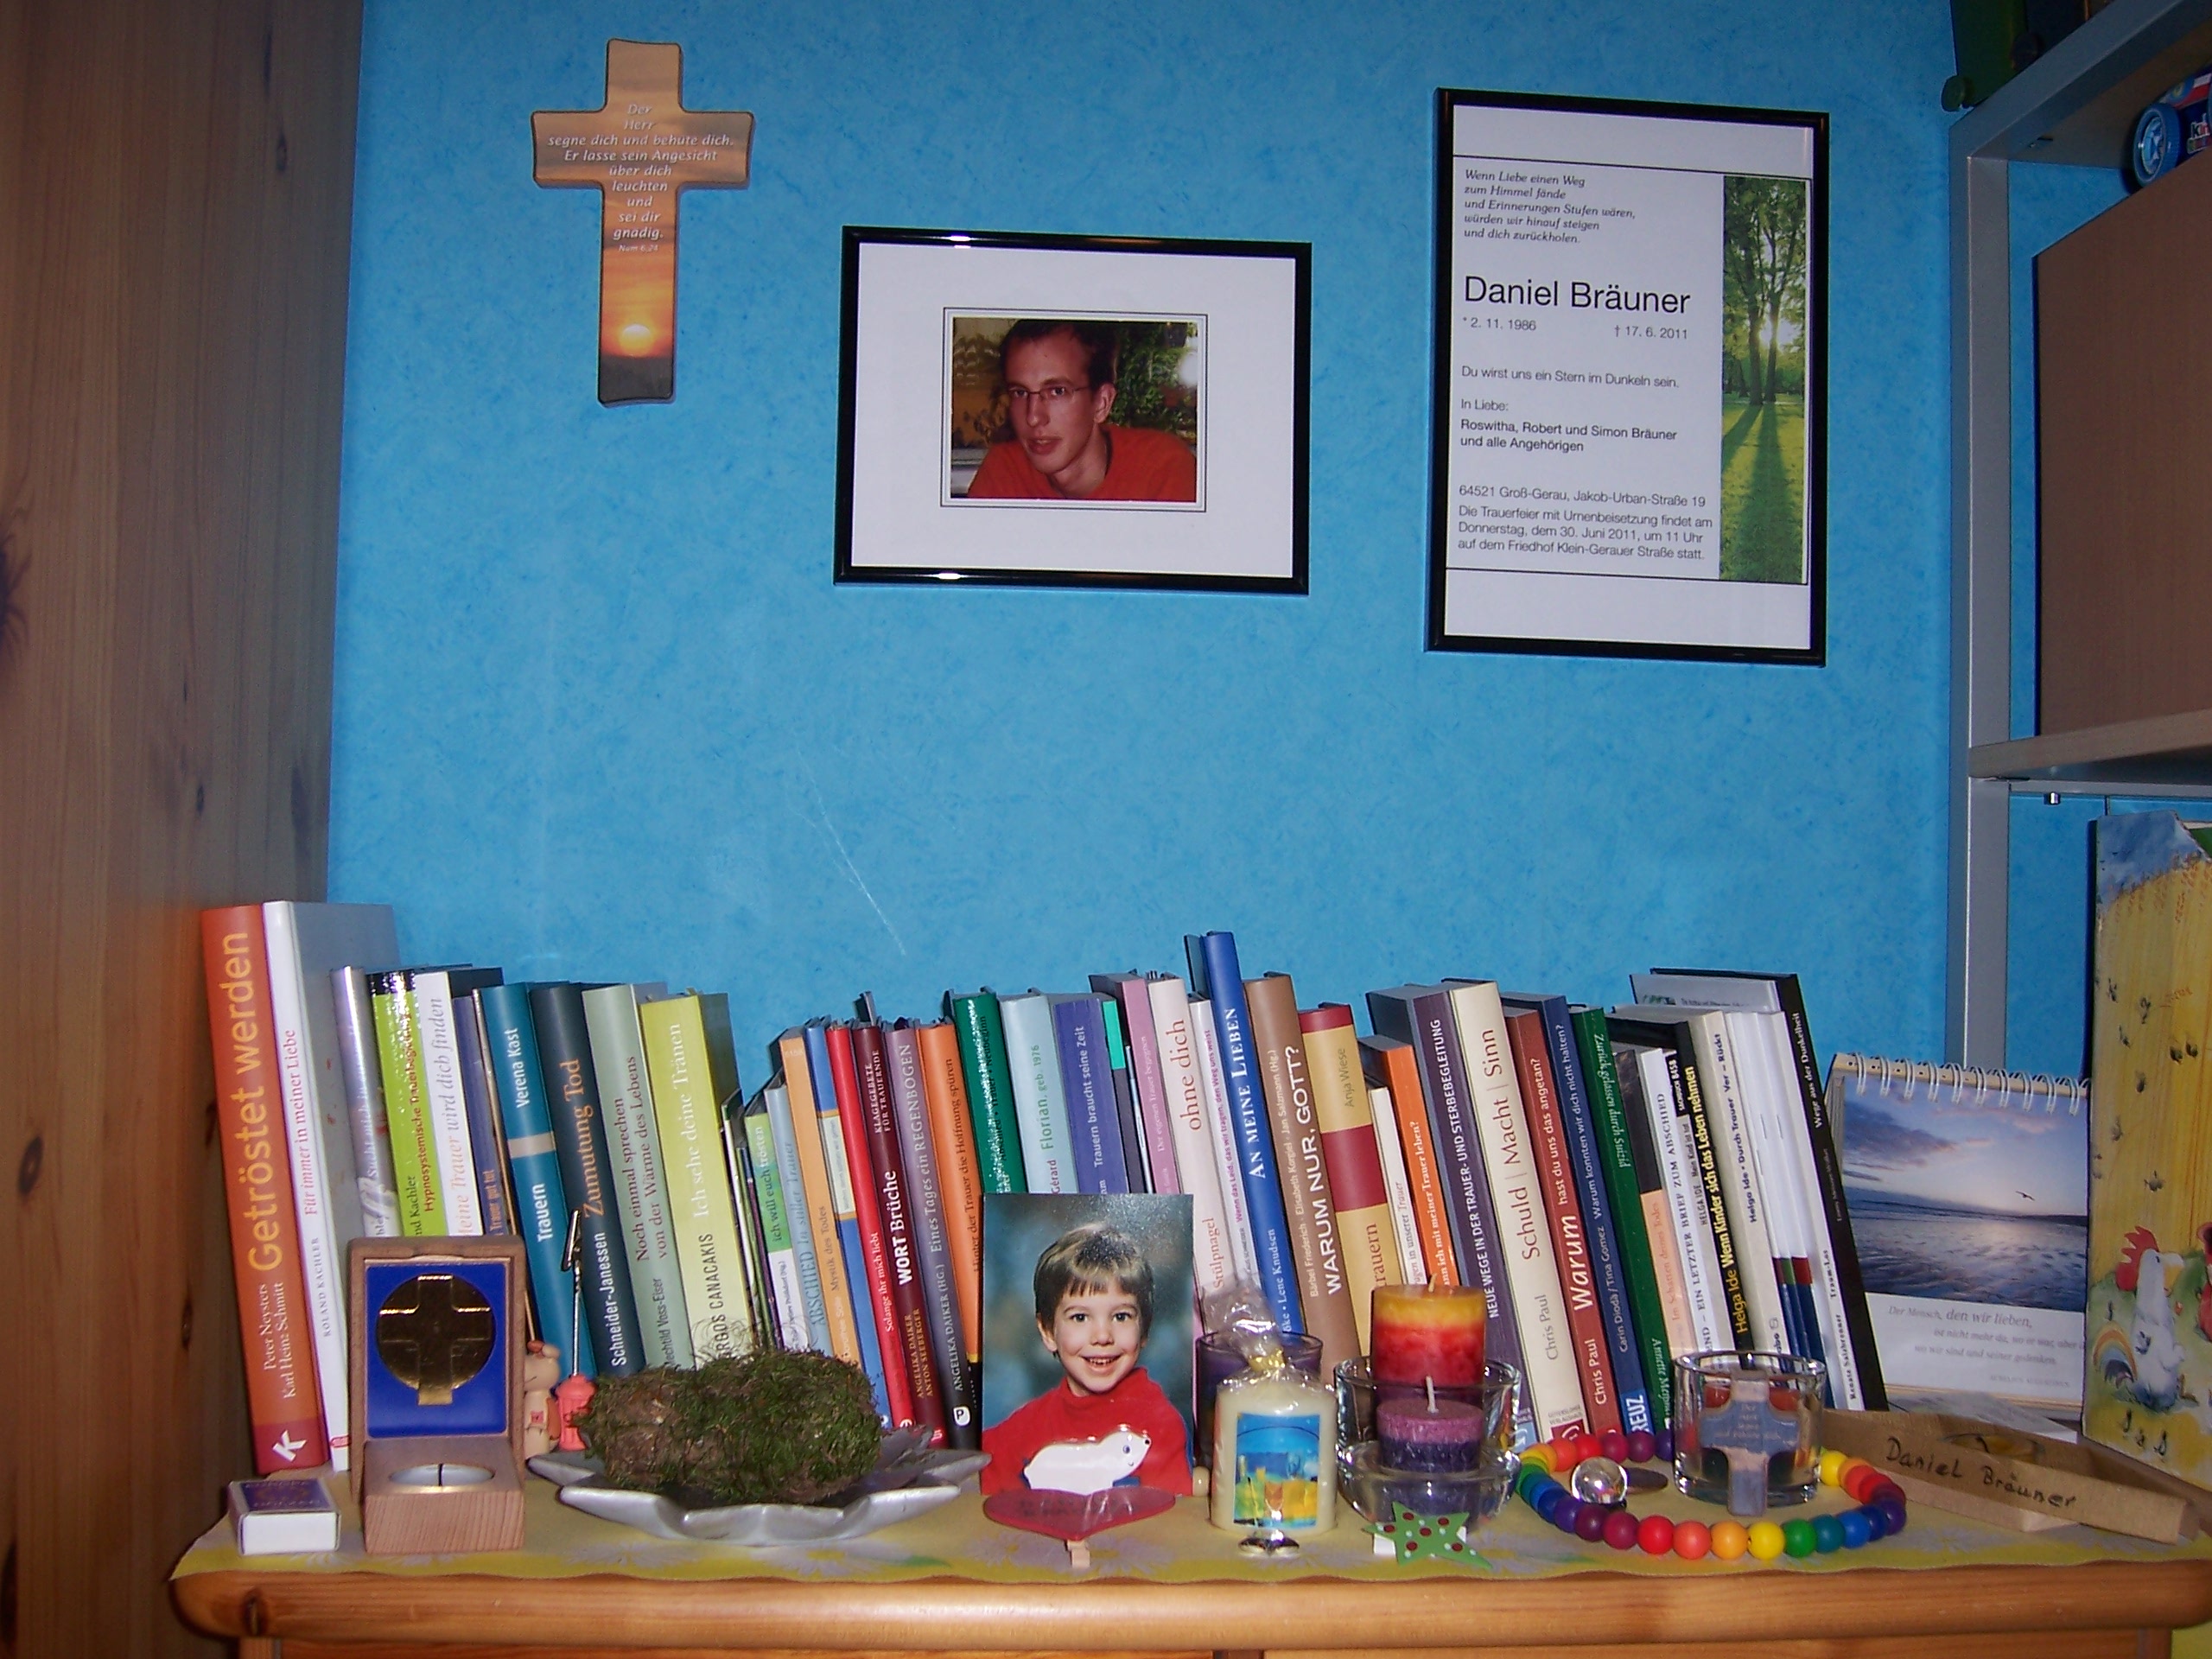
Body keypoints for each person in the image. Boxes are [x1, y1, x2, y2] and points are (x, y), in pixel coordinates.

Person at [979, 1222, 1192, 1495]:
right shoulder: (1023, 1427)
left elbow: (1168, 1516)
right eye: (1080, 1317)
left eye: (1121, 1316)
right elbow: (983, 1487)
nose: (1102, 1336)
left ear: (1144, 1330)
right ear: (1048, 1332)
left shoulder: (1160, 1425)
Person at [963, 320, 1198, 503]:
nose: (1033, 417)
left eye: (1057, 392)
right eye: (1020, 393)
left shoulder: (1162, 470)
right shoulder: (1003, 472)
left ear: (1101, 403)